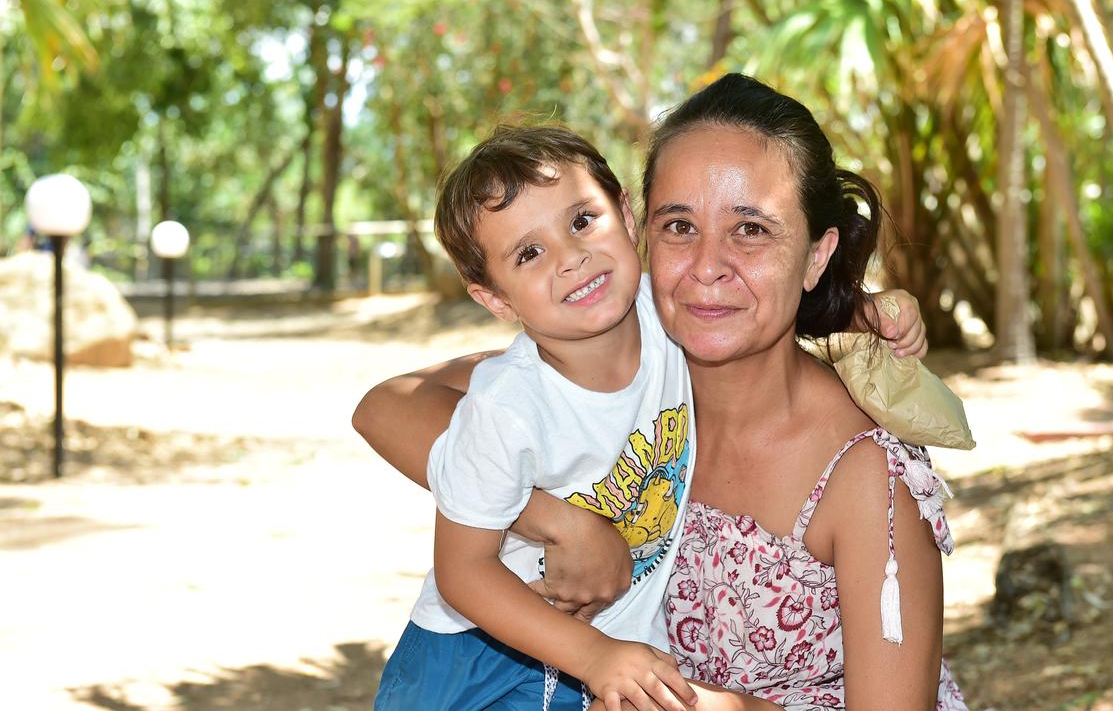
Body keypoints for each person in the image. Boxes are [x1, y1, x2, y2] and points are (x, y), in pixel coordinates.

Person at [355, 74, 963, 710]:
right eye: (678, 226)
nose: (706, 267)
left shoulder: (867, 477)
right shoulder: (621, 356)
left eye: (751, 228)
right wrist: (556, 519)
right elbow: (387, 406)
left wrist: (706, 705)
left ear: (817, 255)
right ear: (643, 229)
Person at [373, 125, 699, 711]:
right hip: (475, 654)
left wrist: (864, 312)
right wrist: (594, 656)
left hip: (609, 643)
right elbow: (463, 571)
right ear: (496, 299)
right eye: (529, 253)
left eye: (581, 221)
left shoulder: (674, 313)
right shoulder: (506, 405)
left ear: (626, 214)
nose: (571, 259)